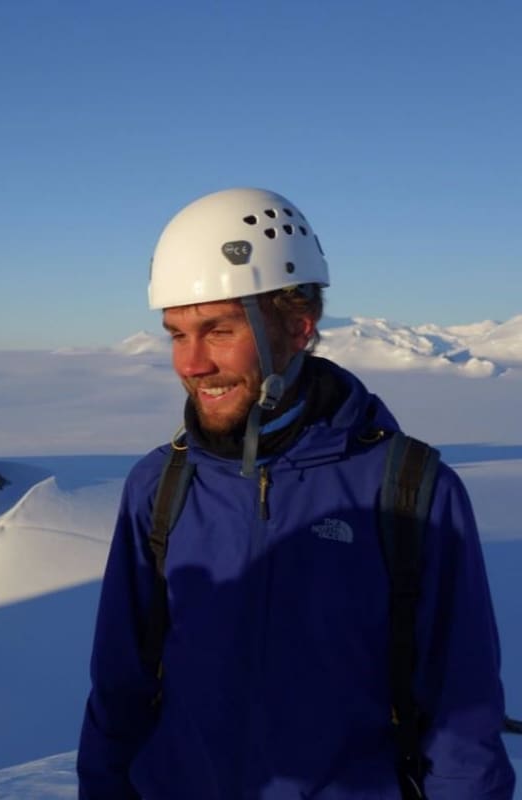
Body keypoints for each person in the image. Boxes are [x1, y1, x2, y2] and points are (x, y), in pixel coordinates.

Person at [77, 187, 515, 798]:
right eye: (176, 334)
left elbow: (462, 717)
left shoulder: (411, 492)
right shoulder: (162, 485)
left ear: (298, 326)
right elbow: (119, 692)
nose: (191, 363)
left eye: (218, 330)